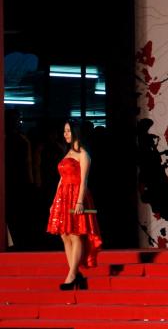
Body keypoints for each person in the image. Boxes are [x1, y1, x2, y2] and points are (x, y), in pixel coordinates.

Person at [46, 120, 102, 290]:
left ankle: (71, 275)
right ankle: (76, 274)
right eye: (64, 131)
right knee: (64, 235)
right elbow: (61, 179)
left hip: (77, 195)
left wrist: (79, 201)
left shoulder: (83, 154)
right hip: (63, 196)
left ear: (76, 132)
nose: (65, 134)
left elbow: (84, 181)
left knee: (75, 234)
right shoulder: (68, 152)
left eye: (68, 131)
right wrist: (54, 201)